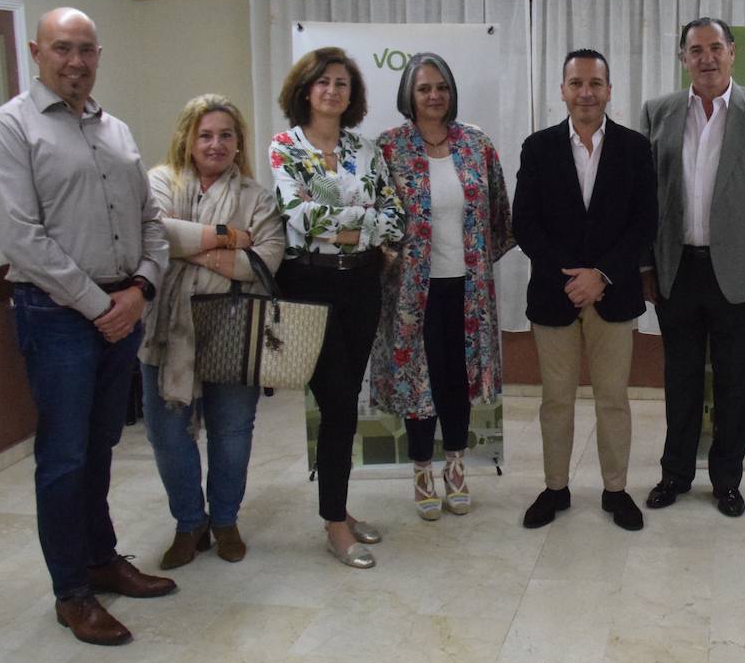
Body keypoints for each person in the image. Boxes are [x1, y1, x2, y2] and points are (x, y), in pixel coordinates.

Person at [0, 7, 173, 645]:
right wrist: (99, 305)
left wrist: (140, 289)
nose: (76, 61)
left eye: (87, 49)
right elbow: (21, 238)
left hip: (122, 307)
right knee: (62, 458)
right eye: (62, 48)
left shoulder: (115, 131)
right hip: (56, 314)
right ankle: (72, 592)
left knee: (100, 447)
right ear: (36, 51)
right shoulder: (7, 129)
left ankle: (101, 558)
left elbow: (150, 220)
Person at [638, 17, 745, 517]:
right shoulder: (658, 111)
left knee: (734, 381)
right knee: (680, 380)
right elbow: (644, 197)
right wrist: (645, 265)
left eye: (715, 48)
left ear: (733, 52)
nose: (706, 57)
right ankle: (675, 475)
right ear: (682, 57)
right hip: (675, 268)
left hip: (740, 268)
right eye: (695, 49)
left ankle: (727, 480)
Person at [270, 47, 405, 568]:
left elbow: (392, 216)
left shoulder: (365, 149)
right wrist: (361, 220)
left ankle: (340, 510)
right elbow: (300, 217)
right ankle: (333, 523)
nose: (333, 90)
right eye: (324, 82)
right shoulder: (286, 147)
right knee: (337, 404)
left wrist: (355, 223)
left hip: (363, 284)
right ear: (306, 89)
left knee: (347, 397)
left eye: (343, 83)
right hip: (311, 284)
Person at [513, 49, 658, 531]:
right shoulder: (537, 148)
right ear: (563, 90)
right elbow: (525, 225)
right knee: (556, 399)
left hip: (613, 297)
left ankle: (615, 491)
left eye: (595, 83)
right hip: (554, 297)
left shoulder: (636, 148)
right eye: (576, 83)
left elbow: (645, 224)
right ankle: (556, 488)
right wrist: (573, 277)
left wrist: (603, 276)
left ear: (609, 90)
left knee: (613, 398)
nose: (586, 92)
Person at [138, 95, 285, 569]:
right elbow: (156, 235)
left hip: (233, 325)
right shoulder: (159, 182)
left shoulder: (255, 196)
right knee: (168, 434)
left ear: (238, 141)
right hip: (167, 327)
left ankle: (224, 520)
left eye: (225, 135)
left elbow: (266, 258)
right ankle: (189, 524)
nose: (215, 144)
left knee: (232, 431)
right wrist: (227, 237)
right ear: (188, 137)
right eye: (205, 134)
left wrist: (190, 246)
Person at [370, 52, 513, 521]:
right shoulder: (388, 149)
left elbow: (499, 216)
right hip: (411, 294)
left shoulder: (477, 145)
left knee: (456, 380)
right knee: (418, 383)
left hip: (466, 290)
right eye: (424, 88)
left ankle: (455, 468)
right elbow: (376, 221)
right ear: (408, 95)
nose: (434, 96)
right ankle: (421, 472)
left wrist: (475, 259)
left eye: (442, 87)